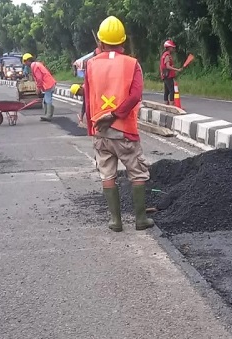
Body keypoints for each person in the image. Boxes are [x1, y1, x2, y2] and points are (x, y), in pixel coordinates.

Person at [84, 15, 153, 233]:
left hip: (101, 131)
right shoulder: (132, 64)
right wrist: (116, 115)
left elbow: (88, 97)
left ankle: (116, 221)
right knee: (137, 173)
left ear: (101, 42)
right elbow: (135, 95)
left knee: (107, 174)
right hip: (125, 131)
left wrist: (93, 127)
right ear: (123, 42)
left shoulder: (90, 64)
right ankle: (140, 220)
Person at [22, 53, 57, 121]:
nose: (25, 64)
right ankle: (47, 115)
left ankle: (48, 116)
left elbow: (39, 78)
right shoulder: (36, 64)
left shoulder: (34, 66)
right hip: (49, 84)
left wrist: (38, 88)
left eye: (25, 62)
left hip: (48, 84)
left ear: (28, 60)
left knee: (47, 99)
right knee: (46, 100)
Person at [160, 39, 182, 106]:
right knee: (172, 90)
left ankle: (166, 105)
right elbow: (168, 66)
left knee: (166, 91)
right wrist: (177, 69)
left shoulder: (164, 54)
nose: (173, 48)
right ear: (169, 47)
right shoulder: (167, 55)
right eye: (172, 47)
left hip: (165, 75)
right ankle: (172, 105)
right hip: (168, 76)